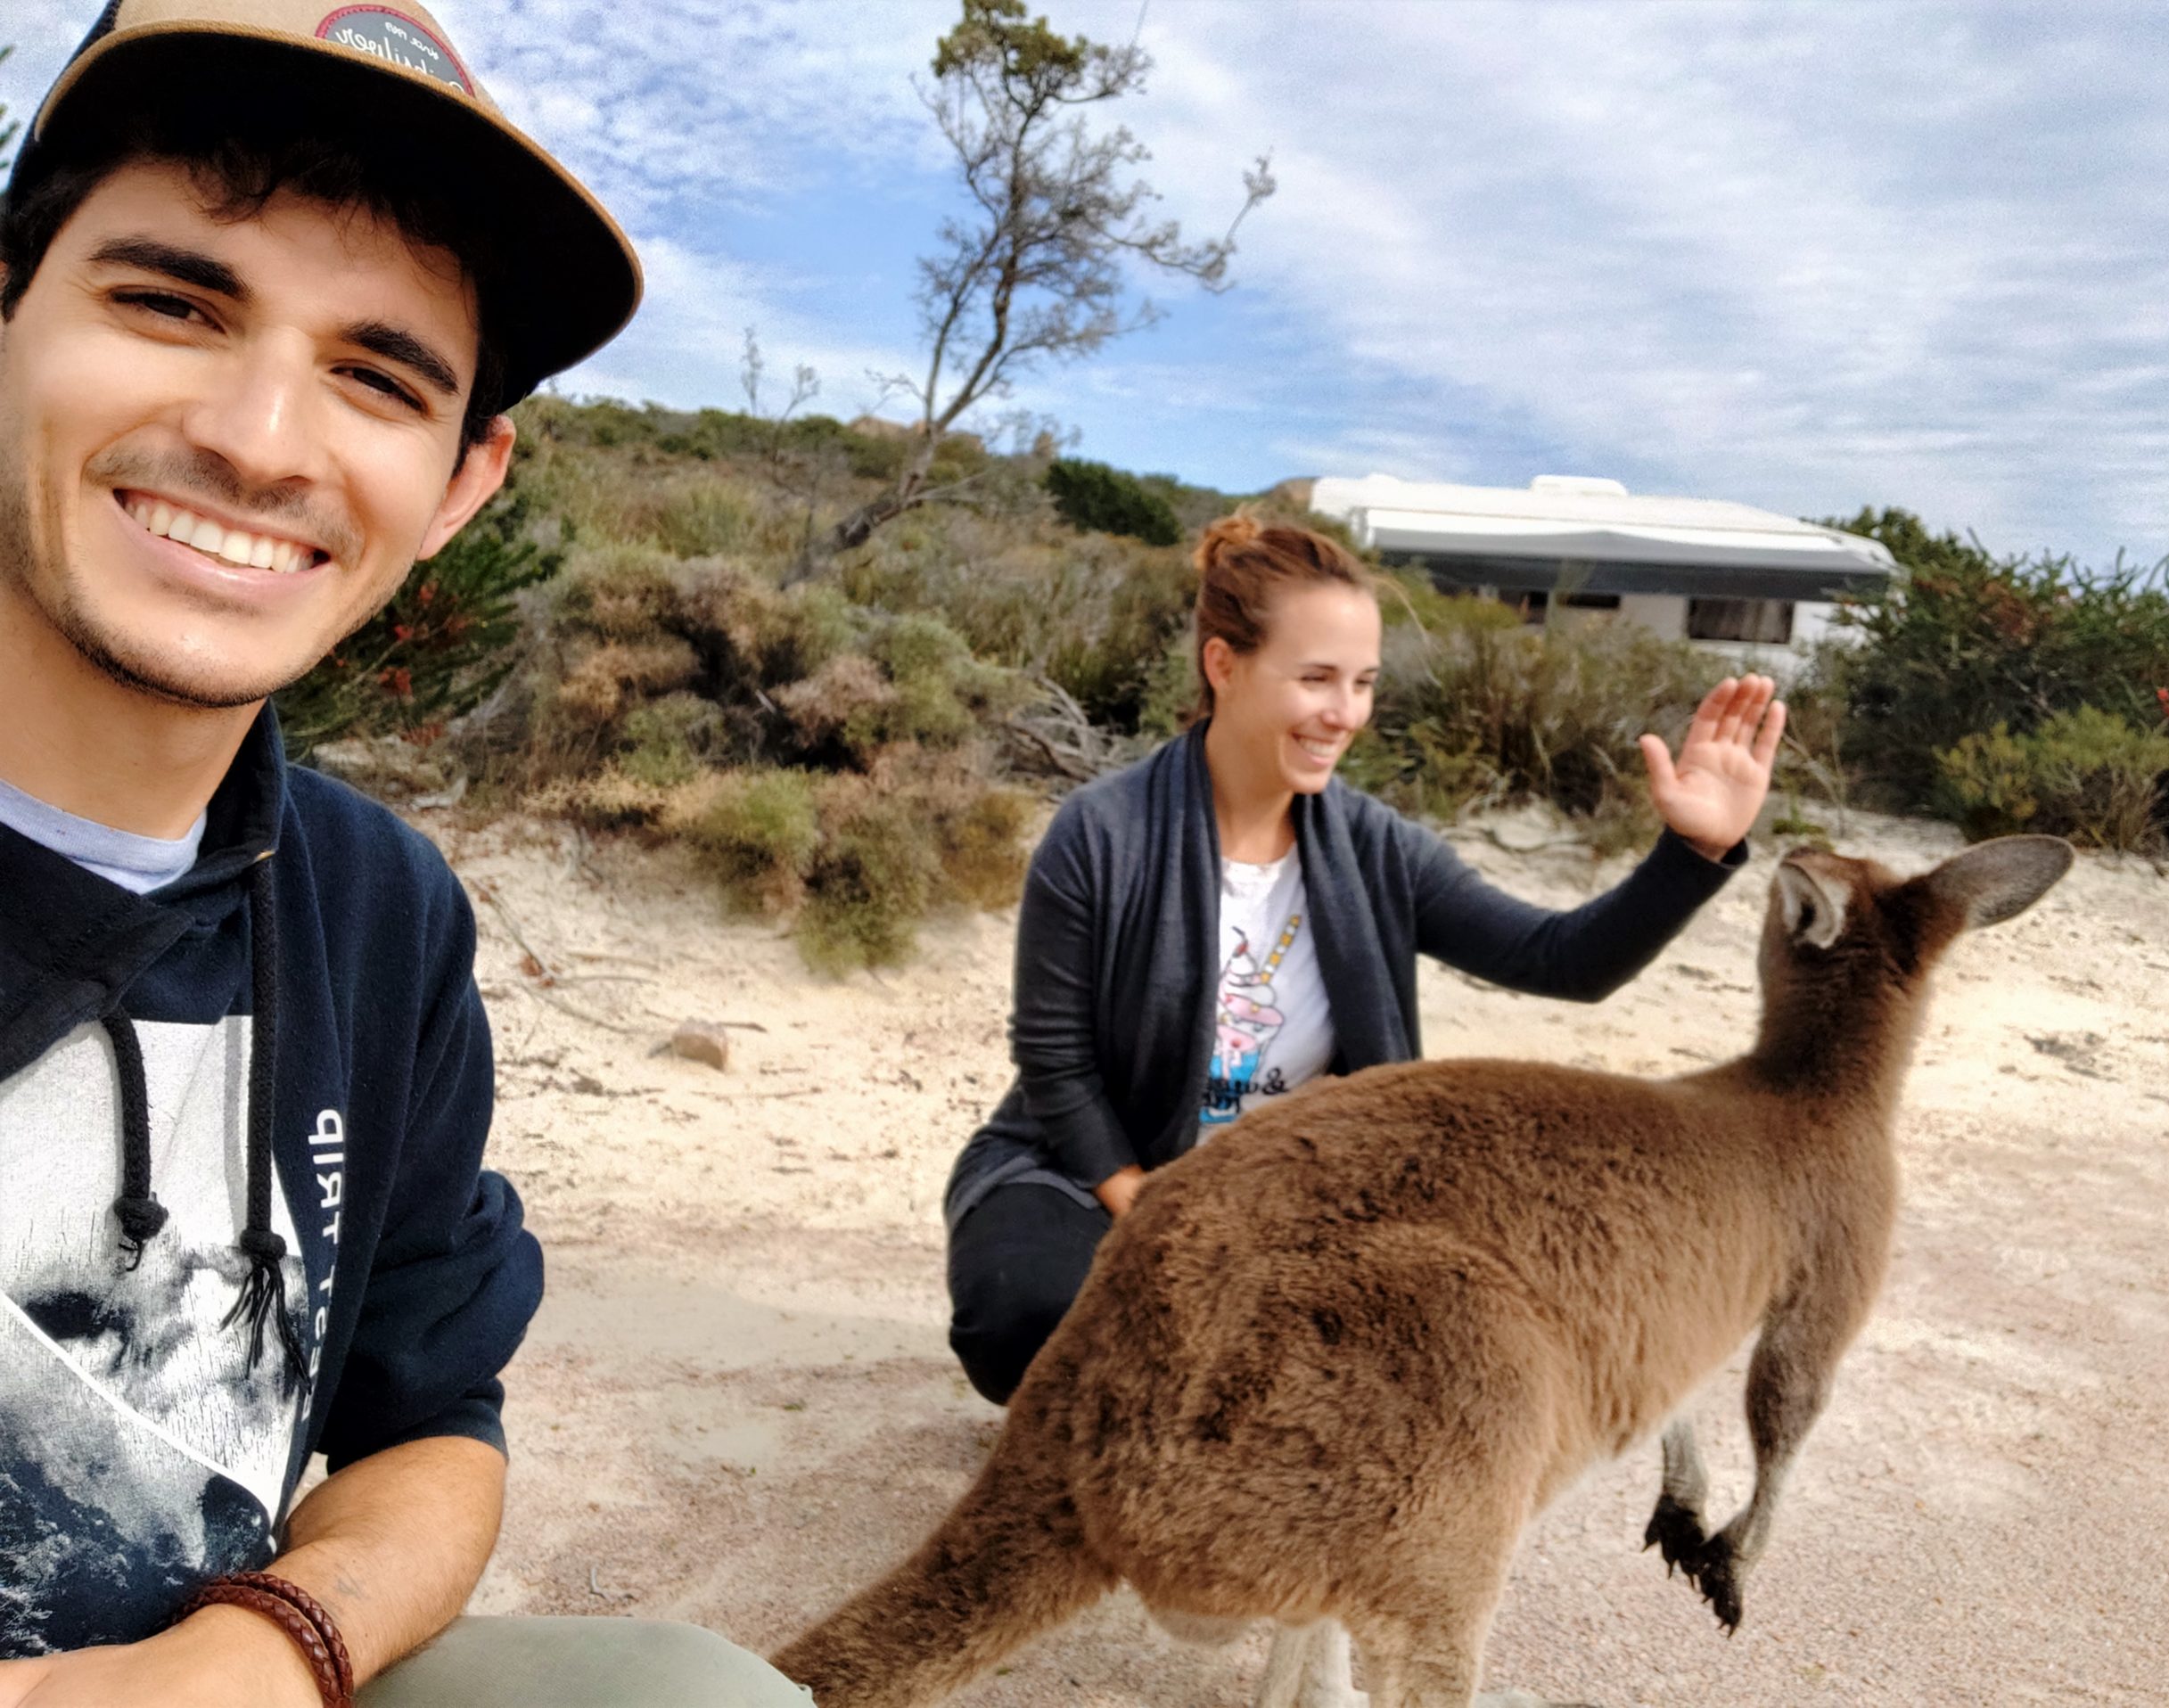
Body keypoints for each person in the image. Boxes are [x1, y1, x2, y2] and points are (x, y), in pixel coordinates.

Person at [0, 5, 808, 1704]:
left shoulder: (375, 909)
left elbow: (428, 1422)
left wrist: (266, 1648)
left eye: (380, 376)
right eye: (171, 301)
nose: (264, 438)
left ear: (459, 483)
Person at [944, 515, 1787, 1404]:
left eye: (1362, 683)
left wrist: (1691, 854)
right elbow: (1054, 1056)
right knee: (1026, 1316)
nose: (1343, 713)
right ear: (1224, 666)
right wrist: (1151, 1207)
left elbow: (1563, 960)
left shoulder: (1375, 847)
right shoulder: (1105, 831)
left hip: (1297, 1194)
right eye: (1314, 678)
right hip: (1096, 1172)